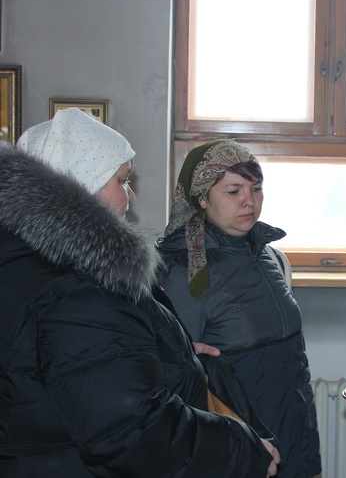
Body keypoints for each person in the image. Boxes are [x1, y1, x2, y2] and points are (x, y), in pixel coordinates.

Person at [0, 108, 279, 477]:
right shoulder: (80, 290)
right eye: (122, 180)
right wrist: (242, 449)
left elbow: (64, 366)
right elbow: (133, 432)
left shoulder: (24, 260)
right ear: (82, 186)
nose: (130, 194)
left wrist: (166, 348)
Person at [157, 139, 321, 478]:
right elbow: (179, 376)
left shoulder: (269, 255)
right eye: (233, 191)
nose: (249, 201)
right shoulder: (185, 269)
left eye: (256, 188)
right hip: (238, 437)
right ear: (202, 198)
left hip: (293, 426)